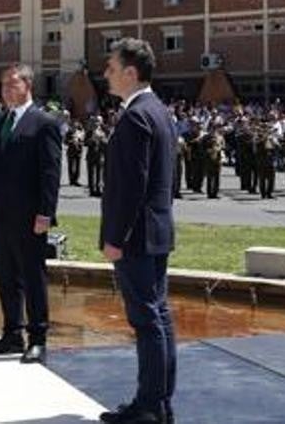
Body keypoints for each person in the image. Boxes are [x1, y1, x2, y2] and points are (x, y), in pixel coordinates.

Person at [99, 38, 177, 424]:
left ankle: (148, 406)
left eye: (112, 68)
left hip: (137, 238)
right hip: (155, 232)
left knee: (147, 321)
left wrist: (115, 238)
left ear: (131, 73)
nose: (106, 75)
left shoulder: (135, 116)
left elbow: (131, 187)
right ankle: (158, 402)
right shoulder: (158, 110)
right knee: (158, 317)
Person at [0, 63, 61, 365]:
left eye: (13, 84)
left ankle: (37, 337)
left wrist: (46, 213)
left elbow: (50, 172)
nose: (6, 90)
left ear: (28, 86)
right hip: (0, 214)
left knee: (32, 276)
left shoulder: (44, 123)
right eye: (3, 85)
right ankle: (12, 333)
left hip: (30, 217)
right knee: (5, 275)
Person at [85, 115, 108, 197]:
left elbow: (107, 143)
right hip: (91, 154)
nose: (97, 123)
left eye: (98, 121)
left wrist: (101, 139)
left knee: (100, 173)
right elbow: (85, 142)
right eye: (95, 121)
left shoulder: (104, 130)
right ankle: (92, 190)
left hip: (100, 155)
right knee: (91, 173)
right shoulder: (90, 131)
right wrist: (92, 139)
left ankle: (99, 189)